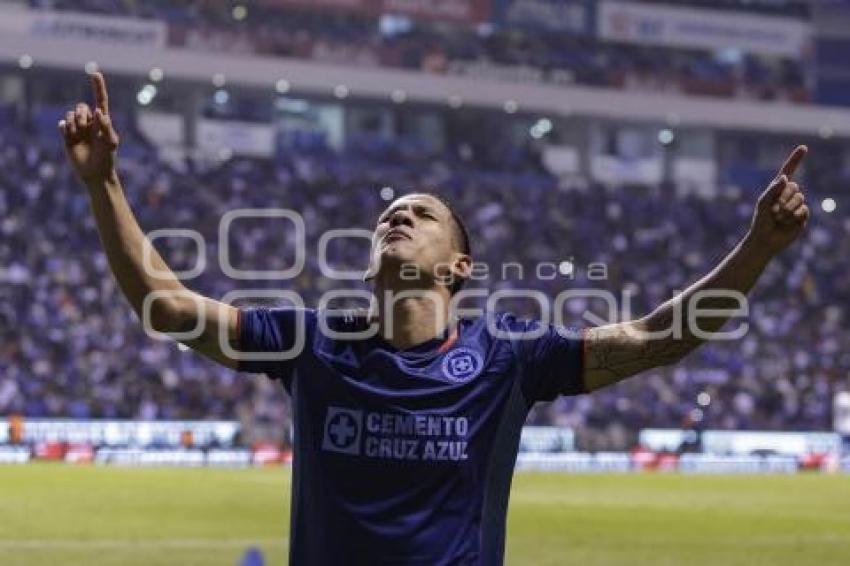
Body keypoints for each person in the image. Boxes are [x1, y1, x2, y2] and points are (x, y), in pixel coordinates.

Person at [60, 72, 810, 565]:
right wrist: (106, 185)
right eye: (388, 213)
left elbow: (658, 337)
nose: (398, 218)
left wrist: (758, 246)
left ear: (460, 266)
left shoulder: (509, 357)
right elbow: (169, 305)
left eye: (420, 215)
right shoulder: (314, 342)